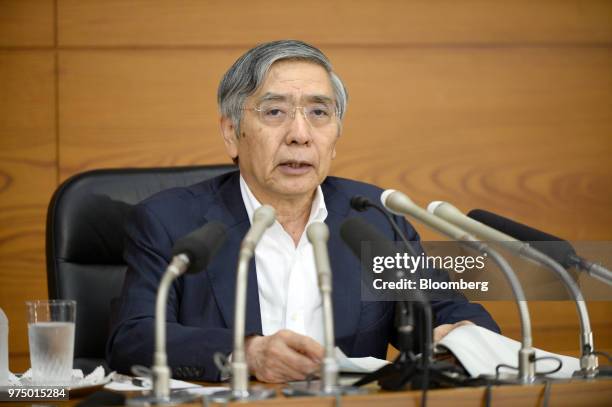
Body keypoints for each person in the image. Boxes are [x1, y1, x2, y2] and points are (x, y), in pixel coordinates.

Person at [106, 40, 499, 383]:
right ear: (231, 133)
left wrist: (460, 336)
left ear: (336, 135)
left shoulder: (373, 217)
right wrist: (249, 353)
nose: (299, 134)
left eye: (319, 113)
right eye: (274, 112)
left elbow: (443, 308)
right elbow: (133, 337)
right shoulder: (170, 221)